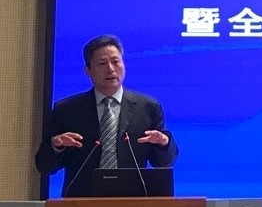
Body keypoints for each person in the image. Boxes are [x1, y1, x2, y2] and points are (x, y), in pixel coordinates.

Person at [35, 34, 179, 197]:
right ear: (88, 71)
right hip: (82, 201)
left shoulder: (148, 107)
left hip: (133, 201)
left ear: (124, 65)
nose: (110, 69)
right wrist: (55, 146)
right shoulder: (67, 109)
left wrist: (163, 143)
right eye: (102, 63)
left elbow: (164, 163)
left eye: (116, 61)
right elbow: (44, 166)